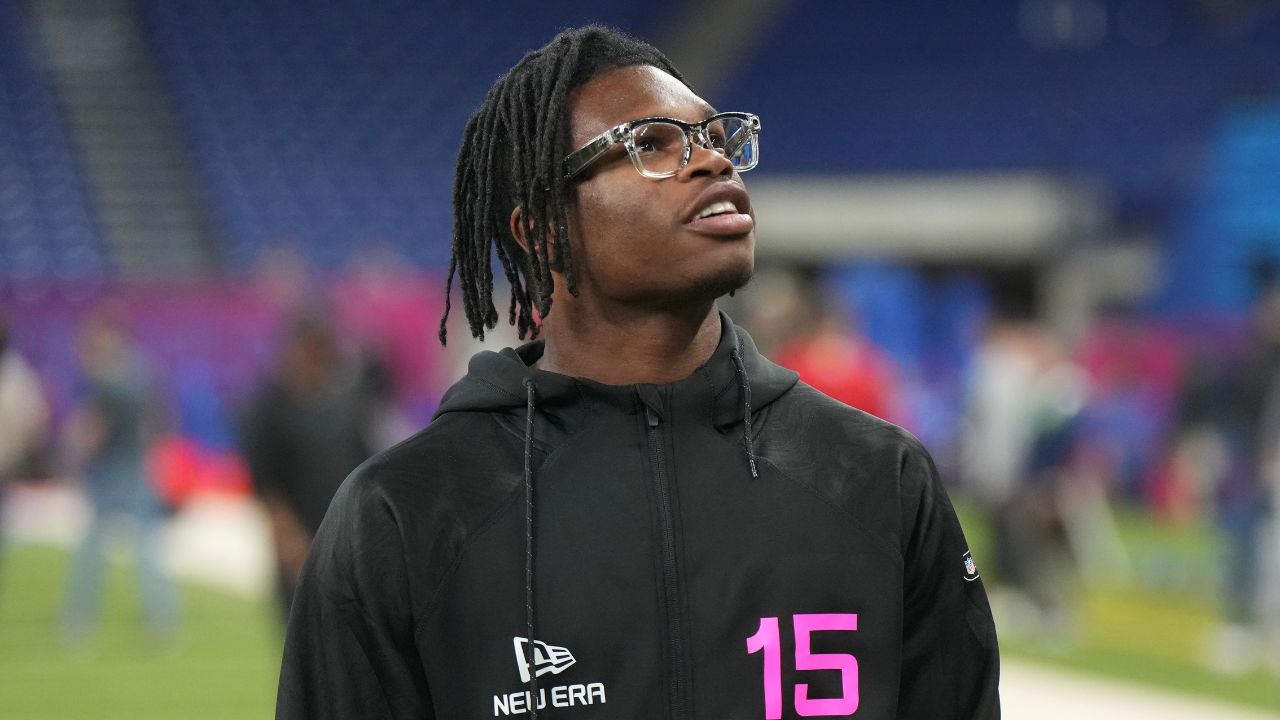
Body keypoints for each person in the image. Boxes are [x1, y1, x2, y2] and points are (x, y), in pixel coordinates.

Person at [278, 25, 999, 719]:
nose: (712, 161)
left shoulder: (877, 476)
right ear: (540, 229)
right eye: (650, 144)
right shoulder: (407, 512)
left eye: (718, 140)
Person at [241, 310, 375, 621]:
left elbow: (366, 464)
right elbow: (264, 480)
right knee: (302, 632)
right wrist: (287, 538)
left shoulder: (346, 403)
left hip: (346, 535)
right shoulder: (271, 406)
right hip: (299, 537)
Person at [62, 307, 176, 642]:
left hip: (117, 467)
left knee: (98, 546)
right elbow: (159, 421)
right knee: (142, 546)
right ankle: (161, 618)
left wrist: (76, 452)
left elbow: (95, 428)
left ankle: (80, 618)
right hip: (135, 465)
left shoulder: (106, 378)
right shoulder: (141, 372)